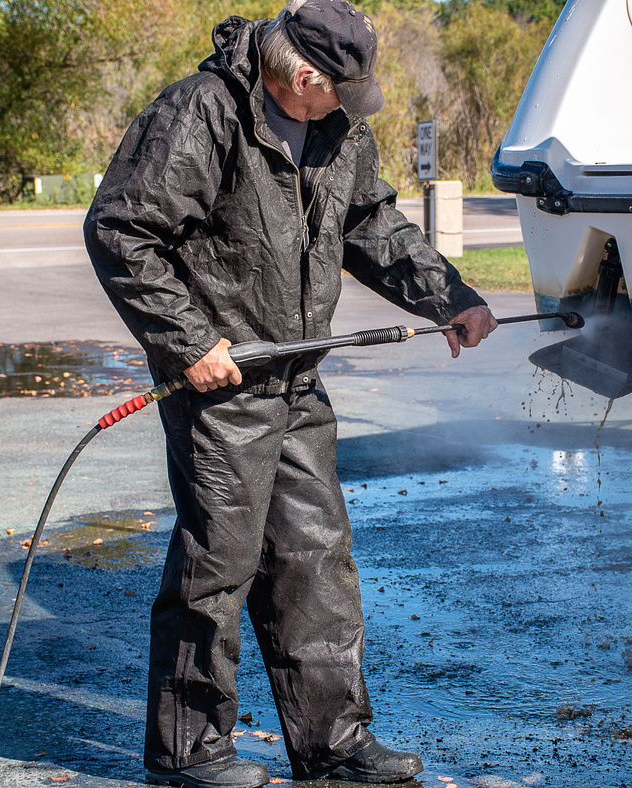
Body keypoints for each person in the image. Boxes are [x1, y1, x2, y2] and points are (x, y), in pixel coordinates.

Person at [84, 1, 496, 786]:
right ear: (302, 75)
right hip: (224, 385)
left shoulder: (336, 128)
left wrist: (452, 297)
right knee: (218, 568)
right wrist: (188, 342)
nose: (351, 102)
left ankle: (333, 748)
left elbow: (373, 225)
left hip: (297, 378)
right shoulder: (201, 113)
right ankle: (187, 755)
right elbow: (120, 230)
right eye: (342, 87)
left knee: (316, 562)